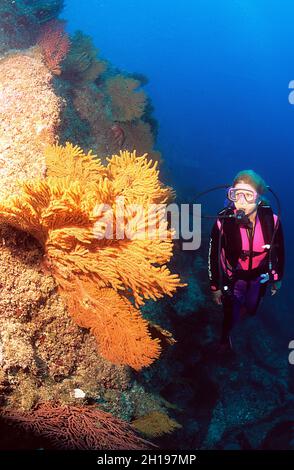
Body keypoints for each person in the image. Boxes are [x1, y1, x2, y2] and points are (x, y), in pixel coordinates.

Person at [208, 170, 285, 353]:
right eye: (236, 194)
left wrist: (277, 278)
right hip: (232, 277)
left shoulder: (272, 222)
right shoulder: (223, 222)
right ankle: (225, 339)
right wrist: (215, 287)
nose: (241, 201)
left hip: (259, 277)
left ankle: (243, 312)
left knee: (252, 308)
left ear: (258, 199)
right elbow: (212, 254)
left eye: (248, 195)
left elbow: (280, 251)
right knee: (228, 313)